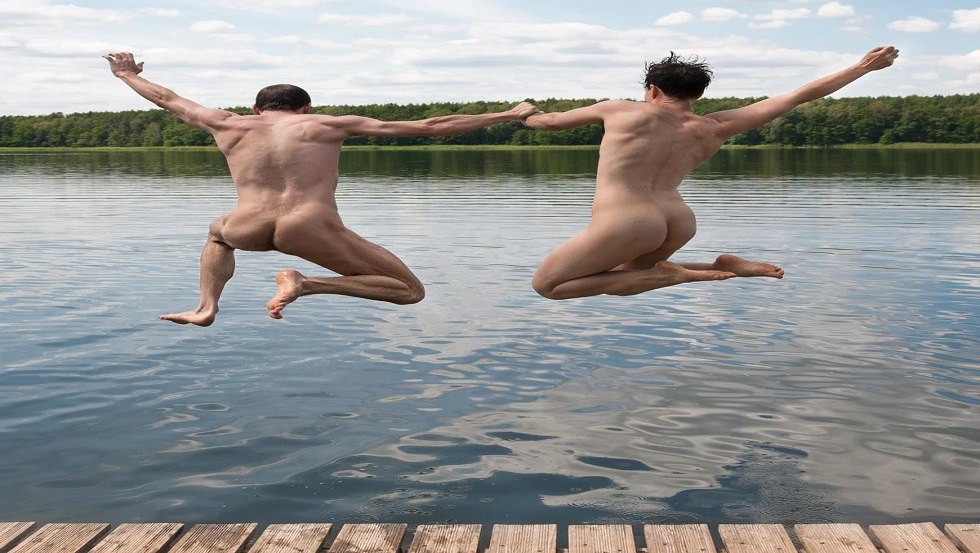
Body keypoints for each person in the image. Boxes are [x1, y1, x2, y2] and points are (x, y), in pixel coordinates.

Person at [104, 52, 539, 325]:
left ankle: (206, 307)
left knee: (218, 233)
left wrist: (125, 74)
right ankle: (307, 284)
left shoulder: (226, 122)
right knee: (409, 291)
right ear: (305, 107)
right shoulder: (327, 125)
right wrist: (509, 114)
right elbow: (431, 126)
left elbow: (167, 98)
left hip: (247, 224)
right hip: (308, 225)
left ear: (256, 108)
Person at [524, 46, 899, 300]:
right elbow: (796, 96)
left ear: (651, 90)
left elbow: (552, 123)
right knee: (618, 277)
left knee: (549, 286)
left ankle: (675, 275)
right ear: (698, 95)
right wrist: (862, 67)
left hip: (626, 218)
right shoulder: (714, 126)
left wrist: (525, 113)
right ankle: (719, 266)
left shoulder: (621, 109)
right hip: (679, 219)